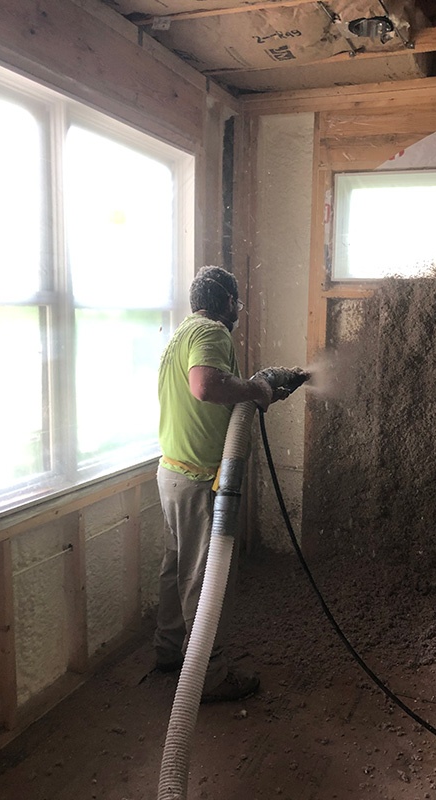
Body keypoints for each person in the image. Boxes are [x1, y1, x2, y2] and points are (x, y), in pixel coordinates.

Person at [154, 265, 281, 702]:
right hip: (196, 478)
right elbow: (206, 386)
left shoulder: (181, 333)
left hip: (171, 471)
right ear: (227, 302)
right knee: (201, 578)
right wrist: (253, 390)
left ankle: (169, 650)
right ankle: (207, 675)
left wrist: (259, 388)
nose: (238, 310)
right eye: (237, 302)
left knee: (175, 567)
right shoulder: (212, 332)